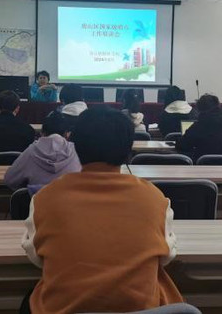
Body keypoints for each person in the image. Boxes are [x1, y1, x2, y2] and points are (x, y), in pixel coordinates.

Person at [21, 107, 183, 313]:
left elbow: (36, 257)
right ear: (128, 149)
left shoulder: (45, 198)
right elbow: (166, 256)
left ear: (76, 145)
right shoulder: (154, 198)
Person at [4, 112, 81, 192]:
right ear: (67, 134)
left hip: (37, 199)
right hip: (70, 199)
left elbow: (10, 179)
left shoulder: (31, 151)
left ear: (42, 133)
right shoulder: (76, 152)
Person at [176, 94, 222, 162]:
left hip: (204, 167)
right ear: (219, 106)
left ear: (199, 110)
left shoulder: (198, 127)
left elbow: (181, 145)